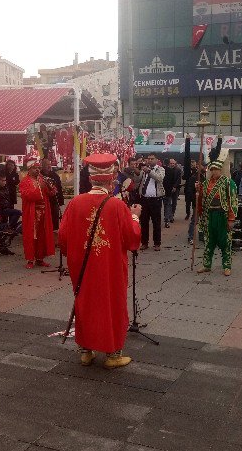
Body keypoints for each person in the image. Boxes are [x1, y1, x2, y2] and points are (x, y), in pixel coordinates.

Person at [58, 153, 141, 369]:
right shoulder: (117, 206)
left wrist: (72, 255)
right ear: (112, 179)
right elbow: (132, 239)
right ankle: (113, 354)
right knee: (111, 305)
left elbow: (63, 237)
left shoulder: (75, 203)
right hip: (109, 267)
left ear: (91, 178)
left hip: (82, 266)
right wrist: (135, 217)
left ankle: (86, 351)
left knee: (85, 303)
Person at [196, 152, 238, 276]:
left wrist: (231, 218)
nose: (214, 172)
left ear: (221, 170)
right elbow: (201, 200)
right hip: (209, 216)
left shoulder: (228, 183)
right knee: (209, 241)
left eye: (216, 169)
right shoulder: (205, 183)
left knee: (225, 241)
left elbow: (233, 201)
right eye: (212, 169)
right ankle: (206, 265)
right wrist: (198, 190)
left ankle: (227, 265)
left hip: (223, 216)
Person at [20, 157, 56, 269]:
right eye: (35, 168)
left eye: (38, 168)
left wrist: (51, 188)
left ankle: (40, 259)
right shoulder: (24, 182)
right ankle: (30, 259)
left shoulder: (42, 179)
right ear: (29, 169)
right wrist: (40, 187)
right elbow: (27, 196)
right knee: (31, 236)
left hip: (44, 213)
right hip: (31, 213)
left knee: (42, 236)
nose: (37, 170)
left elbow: (51, 194)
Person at [138, 153, 165, 251]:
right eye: (148, 159)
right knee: (144, 222)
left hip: (155, 200)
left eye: (152, 159)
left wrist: (149, 171)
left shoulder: (160, 169)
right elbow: (138, 180)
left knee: (156, 222)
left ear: (156, 160)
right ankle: (144, 242)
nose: (149, 160)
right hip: (144, 199)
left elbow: (159, 178)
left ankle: (157, 243)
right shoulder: (144, 169)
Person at [0, 172, 20, 256]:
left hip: (5, 210)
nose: (4, 182)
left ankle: (4, 248)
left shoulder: (5, 188)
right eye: (2, 181)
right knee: (18, 212)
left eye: (5, 180)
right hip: (0, 212)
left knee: (3, 233)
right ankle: (9, 227)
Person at [41, 158, 64, 230]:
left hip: (54, 201)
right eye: (47, 165)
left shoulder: (55, 175)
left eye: (49, 164)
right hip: (43, 201)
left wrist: (61, 201)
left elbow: (59, 188)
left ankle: (55, 232)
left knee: (55, 218)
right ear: (42, 165)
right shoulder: (39, 175)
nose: (49, 166)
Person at [163, 158, 182, 228]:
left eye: (173, 163)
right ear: (169, 163)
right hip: (167, 190)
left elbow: (178, 180)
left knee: (174, 203)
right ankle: (167, 216)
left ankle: (171, 215)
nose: (172, 165)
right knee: (167, 204)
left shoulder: (178, 170)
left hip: (175, 189)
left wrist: (174, 187)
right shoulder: (165, 170)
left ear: (175, 163)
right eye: (171, 163)